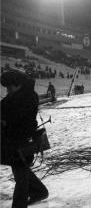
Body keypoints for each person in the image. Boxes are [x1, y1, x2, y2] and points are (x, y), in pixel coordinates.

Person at [1, 70, 49, 207]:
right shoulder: (14, 96)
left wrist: (5, 122)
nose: (8, 90)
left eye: (10, 87)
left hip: (22, 142)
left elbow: (21, 120)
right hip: (11, 141)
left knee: (20, 174)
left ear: (18, 84)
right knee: (19, 170)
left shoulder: (28, 97)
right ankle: (39, 191)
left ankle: (21, 204)